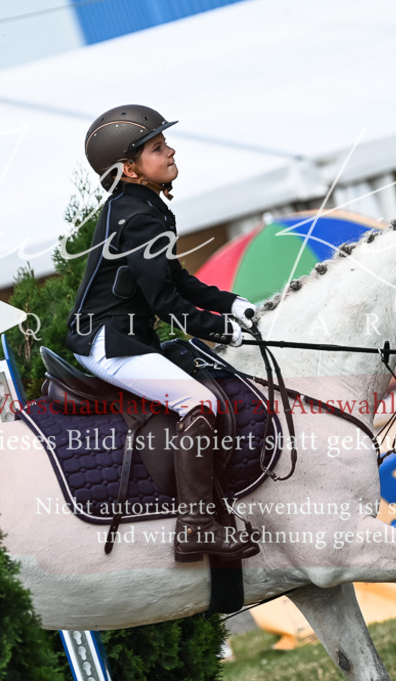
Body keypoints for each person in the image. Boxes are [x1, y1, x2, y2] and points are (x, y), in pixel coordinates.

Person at [65, 105, 258, 563]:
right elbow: (165, 305)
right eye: (157, 148)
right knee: (199, 403)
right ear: (129, 168)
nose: (170, 151)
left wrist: (230, 303)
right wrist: (222, 331)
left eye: (164, 144)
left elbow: (177, 280)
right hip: (109, 342)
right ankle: (195, 528)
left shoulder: (144, 205)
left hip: (126, 334)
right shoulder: (138, 216)